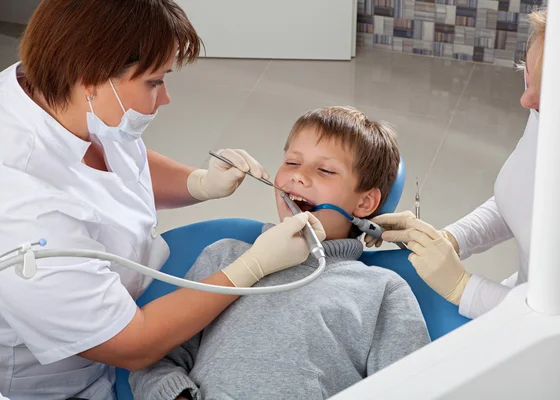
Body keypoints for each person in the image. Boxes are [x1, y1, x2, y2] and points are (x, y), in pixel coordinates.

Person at [0, 1, 325, 399]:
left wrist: (199, 183)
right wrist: (250, 269)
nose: (166, 96)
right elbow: (132, 345)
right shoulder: (25, 206)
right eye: (154, 82)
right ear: (90, 79)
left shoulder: (51, 89)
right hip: (63, 379)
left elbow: (111, 162)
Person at [365, 8, 560, 393]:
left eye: (549, 90)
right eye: (528, 72)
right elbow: (522, 200)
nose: (526, 99)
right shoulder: (551, 111)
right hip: (517, 307)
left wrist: (462, 287)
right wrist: (450, 239)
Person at [129, 107, 430, 400]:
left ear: (365, 203)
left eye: (324, 170)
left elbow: (409, 389)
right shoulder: (225, 257)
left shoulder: (381, 290)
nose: (299, 177)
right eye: (292, 163)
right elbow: (153, 358)